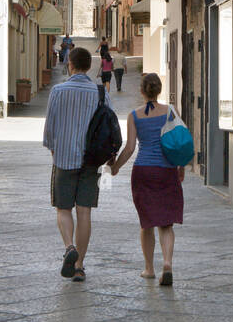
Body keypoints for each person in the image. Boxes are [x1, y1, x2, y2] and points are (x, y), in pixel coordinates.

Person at [42, 45, 112, 282]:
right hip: (91, 162)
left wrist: (54, 151)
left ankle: (69, 246)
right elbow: (110, 130)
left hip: (63, 158)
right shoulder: (101, 93)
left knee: (63, 209)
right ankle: (80, 265)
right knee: (84, 212)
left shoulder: (58, 91)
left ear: (70, 65)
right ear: (90, 66)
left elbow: (49, 128)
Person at [111, 71, 183, 286]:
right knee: (166, 224)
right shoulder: (171, 111)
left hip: (143, 171)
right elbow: (179, 142)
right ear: (159, 90)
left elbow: (130, 148)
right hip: (166, 170)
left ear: (141, 91)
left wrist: (115, 167)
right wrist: (180, 167)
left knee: (147, 223)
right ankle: (167, 264)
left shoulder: (134, 115)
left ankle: (149, 268)